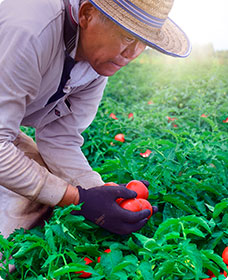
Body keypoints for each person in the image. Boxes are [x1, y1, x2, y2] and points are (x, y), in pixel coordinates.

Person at [0, 0, 191, 238]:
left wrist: (98, 193)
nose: (132, 54)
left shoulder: (96, 61)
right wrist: (78, 199)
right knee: (26, 191)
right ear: (87, 14)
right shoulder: (29, 29)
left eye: (143, 42)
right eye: (128, 37)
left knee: (37, 192)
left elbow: (60, 136)